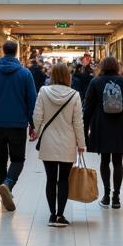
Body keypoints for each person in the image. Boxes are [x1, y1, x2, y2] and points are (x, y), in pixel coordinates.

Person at [0, 41, 36, 212]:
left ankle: (4, 195)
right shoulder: (25, 74)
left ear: (3, 51)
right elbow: (32, 101)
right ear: (16, 52)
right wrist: (33, 125)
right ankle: (8, 185)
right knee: (18, 159)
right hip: (18, 124)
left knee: (0, 160)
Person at [33, 63, 85, 227]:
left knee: (50, 178)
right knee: (63, 179)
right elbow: (78, 122)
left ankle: (52, 214)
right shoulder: (74, 95)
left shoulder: (43, 91)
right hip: (67, 142)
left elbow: (36, 116)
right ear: (68, 76)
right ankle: (61, 215)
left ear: (52, 75)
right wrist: (81, 143)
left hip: (48, 141)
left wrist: (39, 130)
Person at [83, 57, 123, 209]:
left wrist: (85, 130)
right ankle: (116, 197)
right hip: (120, 124)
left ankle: (106, 195)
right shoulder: (122, 80)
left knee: (105, 161)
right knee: (118, 162)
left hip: (101, 124)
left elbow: (88, 107)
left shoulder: (95, 81)